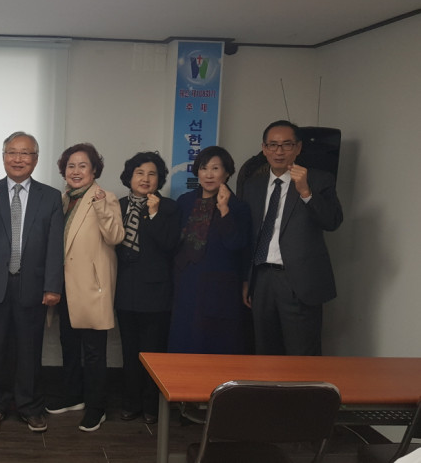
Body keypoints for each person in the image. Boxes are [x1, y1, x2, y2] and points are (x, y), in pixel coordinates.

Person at [0, 132, 64, 433]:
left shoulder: (50, 196)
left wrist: (52, 285)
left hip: (32, 284)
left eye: (25, 153)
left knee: (29, 351)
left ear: (35, 159)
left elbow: (55, 245)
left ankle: (30, 406)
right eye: (12, 152)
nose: (18, 159)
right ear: (3, 156)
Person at [243, 120, 343, 356]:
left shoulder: (319, 180)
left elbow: (333, 221)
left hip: (299, 282)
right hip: (262, 279)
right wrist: (247, 280)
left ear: (298, 148)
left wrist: (306, 192)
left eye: (286, 145)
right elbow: (249, 234)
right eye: (273, 145)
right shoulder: (252, 186)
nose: (279, 151)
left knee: (302, 356)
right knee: (265, 353)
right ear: (264, 148)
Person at [46, 143, 124, 432]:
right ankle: (73, 396)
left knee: (93, 352)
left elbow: (115, 236)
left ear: (94, 170)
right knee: (68, 344)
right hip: (65, 287)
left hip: (91, 287)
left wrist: (101, 207)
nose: (76, 171)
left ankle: (96, 407)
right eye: (71, 166)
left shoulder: (105, 197)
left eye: (82, 166)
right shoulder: (64, 199)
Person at [114, 152, 179, 424]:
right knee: (129, 352)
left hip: (155, 293)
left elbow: (169, 245)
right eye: (139, 173)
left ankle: (152, 406)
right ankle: (131, 403)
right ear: (130, 177)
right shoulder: (117, 205)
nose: (145, 178)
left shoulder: (169, 207)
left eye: (152, 174)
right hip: (124, 290)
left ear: (159, 179)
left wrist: (153, 215)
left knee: (153, 352)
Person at [169, 146, 252, 355]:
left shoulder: (239, 207)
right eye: (204, 168)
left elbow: (237, 244)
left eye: (215, 168)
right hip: (187, 281)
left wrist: (224, 210)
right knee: (184, 337)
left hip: (219, 285)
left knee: (214, 343)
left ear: (227, 173)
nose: (208, 175)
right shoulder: (185, 201)